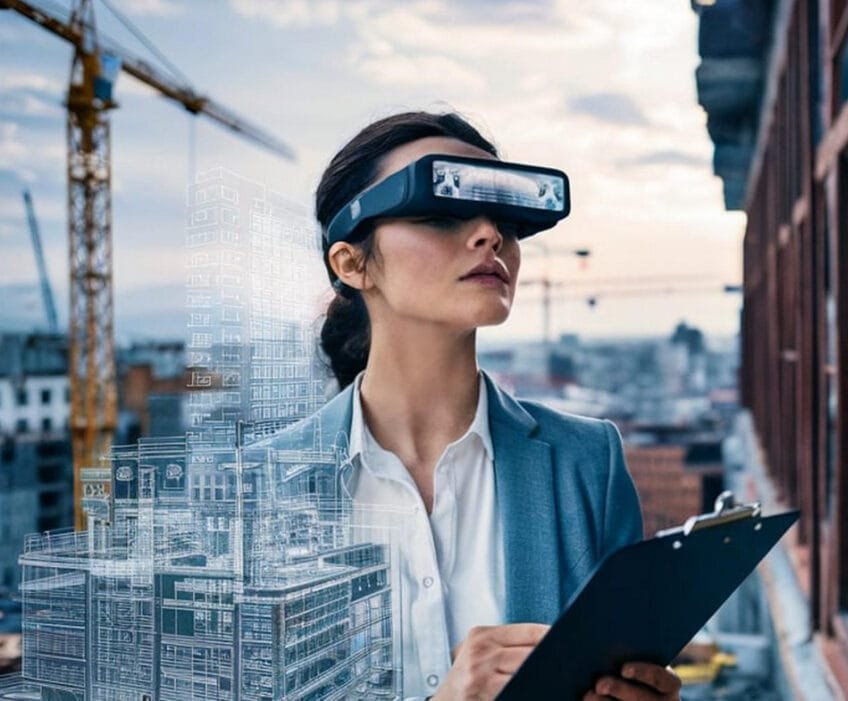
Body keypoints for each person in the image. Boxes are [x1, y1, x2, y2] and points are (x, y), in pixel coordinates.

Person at [252, 111, 683, 701]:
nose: (489, 235)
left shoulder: (589, 463)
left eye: (502, 218)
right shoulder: (254, 489)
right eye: (440, 214)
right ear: (351, 263)